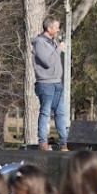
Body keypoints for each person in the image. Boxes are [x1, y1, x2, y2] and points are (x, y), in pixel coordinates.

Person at [32, 16, 68, 151]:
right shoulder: (40, 43)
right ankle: (43, 142)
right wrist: (58, 49)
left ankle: (64, 142)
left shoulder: (52, 42)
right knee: (45, 112)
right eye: (56, 27)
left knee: (60, 113)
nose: (58, 30)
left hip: (57, 83)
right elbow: (48, 62)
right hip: (46, 84)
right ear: (49, 28)